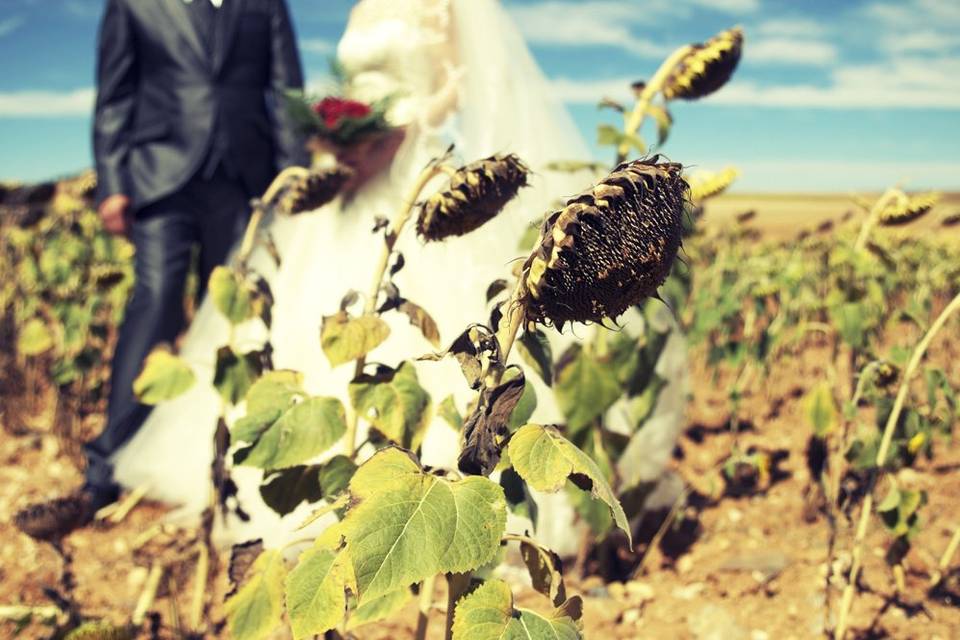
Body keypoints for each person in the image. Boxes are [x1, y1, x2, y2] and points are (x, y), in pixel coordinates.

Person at [14, 0, 307, 538]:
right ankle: (105, 471)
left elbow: (286, 90)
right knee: (155, 299)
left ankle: (222, 466)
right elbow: (114, 96)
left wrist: (293, 176)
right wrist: (113, 183)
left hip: (244, 176)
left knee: (233, 316)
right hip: (158, 176)